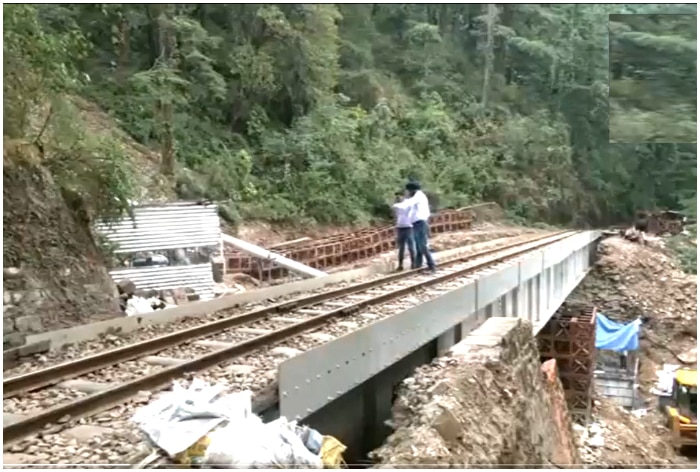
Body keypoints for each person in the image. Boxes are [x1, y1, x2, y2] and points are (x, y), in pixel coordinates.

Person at [393, 181, 436, 272]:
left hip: (420, 223)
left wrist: (396, 205)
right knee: (418, 246)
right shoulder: (416, 197)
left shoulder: (418, 196)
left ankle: (432, 266)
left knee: (422, 246)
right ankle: (418, 266)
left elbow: (407, 204)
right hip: (417, 223)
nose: (407, 193)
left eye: (407, 191)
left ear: (411, 190)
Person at [393, 191, 415, 271]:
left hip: (408, 226)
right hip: (400, 227)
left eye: (399, 196)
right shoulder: (396, 205)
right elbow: (395, 214)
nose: (398, 198)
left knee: (411, 246)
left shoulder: (408, 204)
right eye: (397, 196)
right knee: (401, 248)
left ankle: (413, 263)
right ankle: (400, 265)